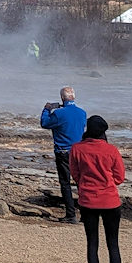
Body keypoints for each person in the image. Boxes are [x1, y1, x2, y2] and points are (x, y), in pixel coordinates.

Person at [71, 115, 127, 263]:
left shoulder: (77, 149)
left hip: (88, 200)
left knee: (92, 243)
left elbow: (75, 174)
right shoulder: (111, 150)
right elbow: (119, 177)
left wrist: (86, 184)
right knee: (113, 244)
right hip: (110, 200)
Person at [41, 87, 88, 224]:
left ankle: (71, 214)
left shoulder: (59, 114)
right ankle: (85, 214)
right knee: (81, 182)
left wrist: (47, 109)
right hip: (79, 152)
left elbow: (45, 123)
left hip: (63, 152)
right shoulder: (82, 113)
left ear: (62, 98)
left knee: (65, 183)